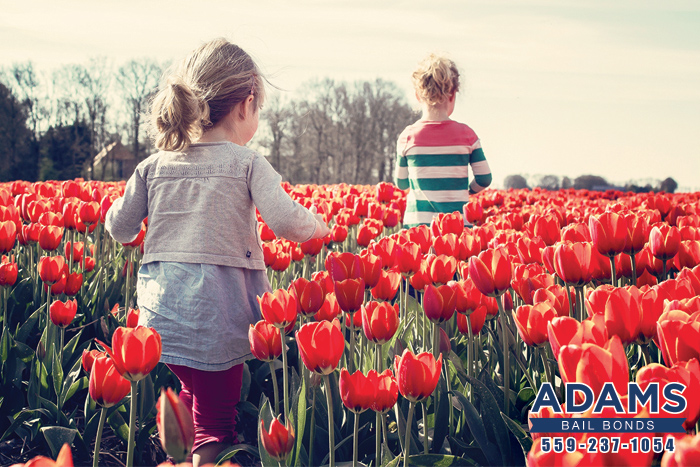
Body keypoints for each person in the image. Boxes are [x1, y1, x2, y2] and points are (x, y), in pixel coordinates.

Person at [104, 38, 329, 466]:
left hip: (161, 317)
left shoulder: (153, 166)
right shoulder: (246, 163)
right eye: (258, 109)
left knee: (189, 395)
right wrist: (318, 224)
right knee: (215, 423)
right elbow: (285, 221)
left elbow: (119, 227)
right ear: (245, 105)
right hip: (216, 315)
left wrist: (114, 206)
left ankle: (178, 456)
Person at [394, 53, 492, 227]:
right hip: (457, 225)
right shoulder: (467, 135)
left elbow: (401, 183)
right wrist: (467, 191)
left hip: (418, 225)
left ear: (417, 95)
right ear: (453, 95)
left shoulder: (408, 137)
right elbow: (484, 178)